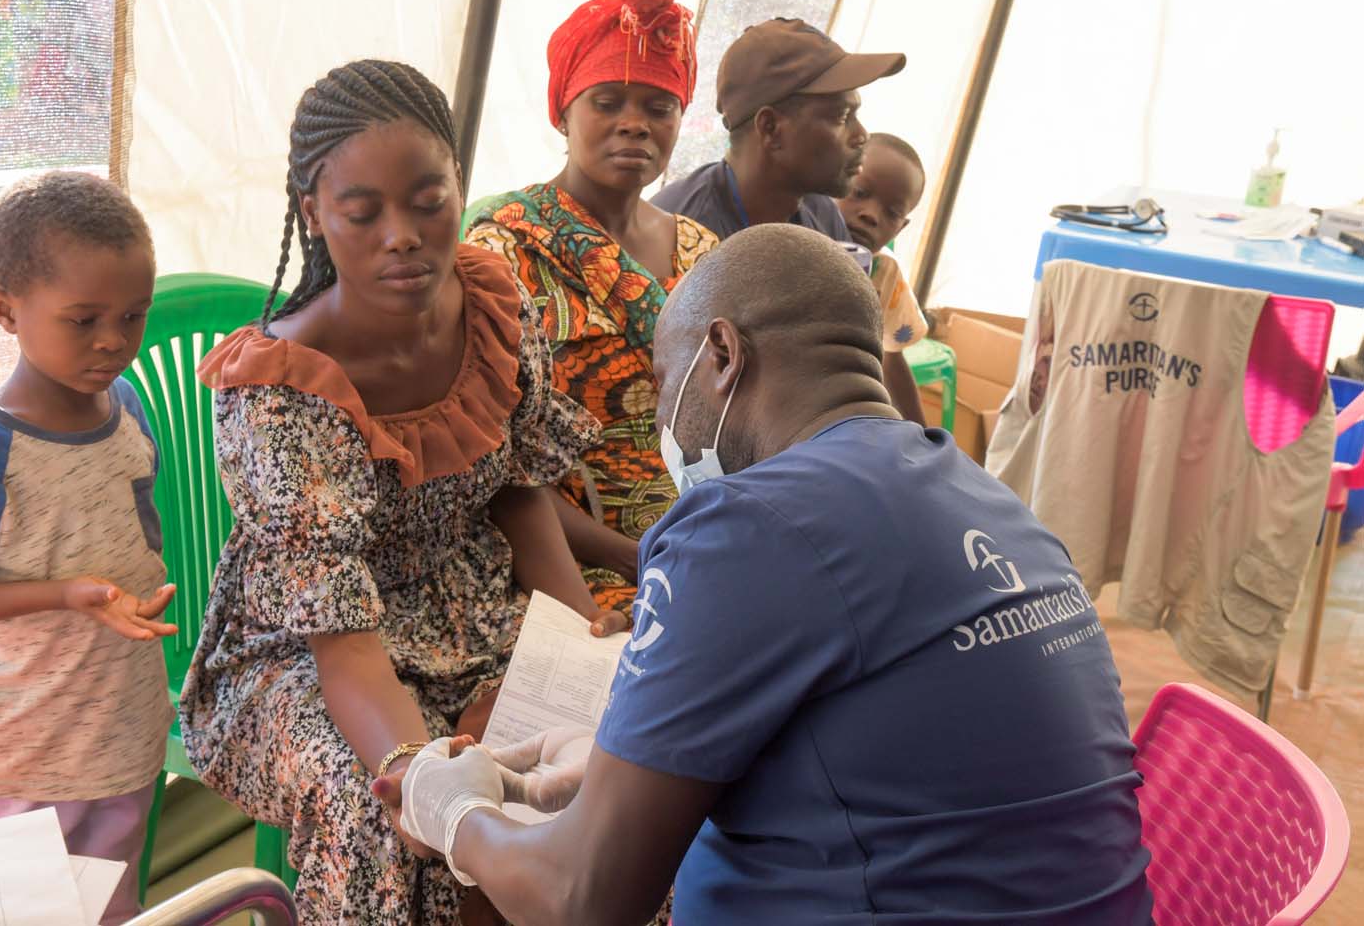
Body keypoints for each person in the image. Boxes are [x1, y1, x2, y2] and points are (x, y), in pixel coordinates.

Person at [389, 224, 1155, 926]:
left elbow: (581, 898)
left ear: (720, 355)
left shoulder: (745, 525)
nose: (662, 421)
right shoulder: (991, 501)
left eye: (662, 383)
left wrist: (456, 816)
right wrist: (626, 758)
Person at [178, 59, 623, 926]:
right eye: (362, 211)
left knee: (604, 748)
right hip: (306, 648)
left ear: (460, 184)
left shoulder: (493, 301)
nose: (404, 234)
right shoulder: (283, 392)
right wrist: (417, 772)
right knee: (380, 817)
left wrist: (578, 645)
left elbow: (519, 491)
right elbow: (343, 646)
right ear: (313, 212)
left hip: (469, 607)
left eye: (429, 200)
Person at [0, 171, 176, 925]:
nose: (113, 340)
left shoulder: (127, 407)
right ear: (3, 309)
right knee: (3, 913)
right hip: (21, 753)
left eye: (132, 315)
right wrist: (63, 594)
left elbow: (135, 541)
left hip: (119, 734)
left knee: (107, 908)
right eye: (83, 320)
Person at [466, 0, 717, 614]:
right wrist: (637, 559)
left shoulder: (703, 252)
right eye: (607, 101)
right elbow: (492, 464)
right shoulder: (506, 250)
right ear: (564, 110)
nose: (634, 125)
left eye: (659, 108)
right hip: (560, 558)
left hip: (701, 541)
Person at [652, 18, 926, 424]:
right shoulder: (682, 231)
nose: (861, 135)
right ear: (771, 128)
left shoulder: (819, 215)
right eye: (841, 117)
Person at [835, 131, 931, 356]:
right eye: (859, 193)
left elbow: (891, 355)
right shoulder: (793, 240)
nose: (871, 215)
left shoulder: (885, 275)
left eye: (893, 213)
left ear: (901, 228)